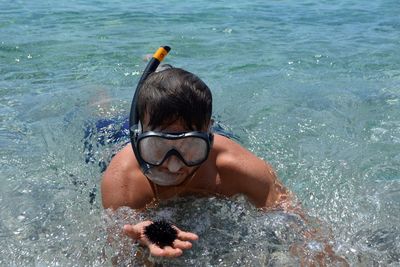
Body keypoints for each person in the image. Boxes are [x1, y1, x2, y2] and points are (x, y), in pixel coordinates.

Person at [101, 65, 291, 258]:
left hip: (203, 129)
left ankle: (165, 74)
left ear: (209, 138)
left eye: (189, 147)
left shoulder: (231, 164)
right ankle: (102, 96)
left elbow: (292, 218)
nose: (173, 165)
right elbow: (118, 254)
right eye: (158, 146)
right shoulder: (124, 177)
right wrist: (138, 245)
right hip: (120, 134)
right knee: (103, 120)